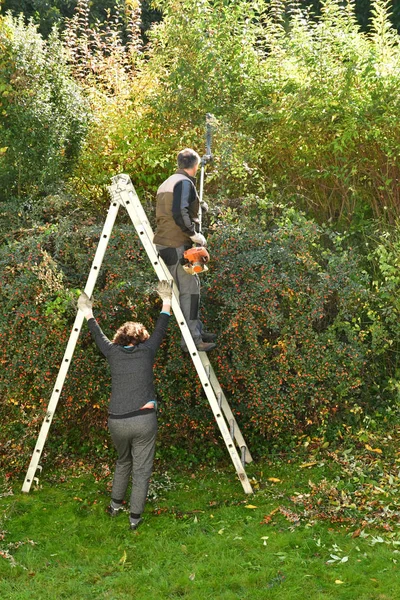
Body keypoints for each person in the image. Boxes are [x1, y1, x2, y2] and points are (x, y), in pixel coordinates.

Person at [77, 280, 172, 531]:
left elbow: (97, 333)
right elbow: (162, 326)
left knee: (123, 461)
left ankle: (115, 506)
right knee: (141, 470)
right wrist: (167, 299)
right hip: (143, 420)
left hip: (117, 421)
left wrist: (87, 311)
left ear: (120, 338)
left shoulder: (112, 352)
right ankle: (134, 519)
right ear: (141, 338)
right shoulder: (147, 351)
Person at [153, 148, 217, 352]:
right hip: (177, 243)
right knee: (190, 292)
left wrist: (199, 206)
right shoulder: (184, 183)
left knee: (189, 288)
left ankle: (195, 329)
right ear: (195, 166)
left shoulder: (167, 183)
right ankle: (192, 339)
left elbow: (177, 206)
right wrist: (193, 235)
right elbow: (179, 212)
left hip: (165, 243)